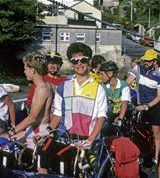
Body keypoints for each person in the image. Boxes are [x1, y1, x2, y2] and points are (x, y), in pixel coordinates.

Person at [37, 42, 108, 174]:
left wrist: (90, 140)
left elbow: (101, 117)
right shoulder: (63, 87)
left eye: (83, 60)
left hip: (86, 139)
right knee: (42, 153)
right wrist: (47, 132)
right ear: (71, 63)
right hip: (65, 137)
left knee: (70, 166)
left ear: (89, 61)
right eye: (75, 61)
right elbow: (58, 114)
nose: (79, 64)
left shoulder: (99, 89)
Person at [4, 52, 54, 140]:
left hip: (39, 131)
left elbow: (32, 118)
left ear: (33, 70)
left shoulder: (42, 89)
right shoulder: (46, 86)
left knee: (3, 141)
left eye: (25, 69)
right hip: (36, 128)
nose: (24, 71)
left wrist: (11, 132)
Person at [134, 49, 160, 167]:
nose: (145, 62)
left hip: (154, 107)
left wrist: (147, 106)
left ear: (154, 61)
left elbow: (159, 96)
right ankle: (141, 154)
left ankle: (156, 157)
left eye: (148, 60)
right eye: (145, 60)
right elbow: (127, 81)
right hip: (141, 105)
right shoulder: (139, 68)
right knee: (139, 133)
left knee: (156, 133)